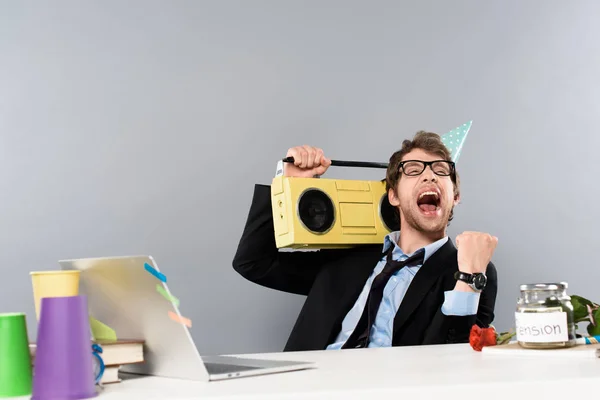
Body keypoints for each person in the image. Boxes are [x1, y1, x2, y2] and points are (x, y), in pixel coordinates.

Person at [232, 131, 498, 351]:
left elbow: (450, 364)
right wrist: (287, 185)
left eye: (441, 171)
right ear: (393, 196)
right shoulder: (350, 256)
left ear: (456, 196)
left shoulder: (470, 268)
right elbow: (254, 262)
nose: (429, 176)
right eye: (414, 170)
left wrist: (468, 279)